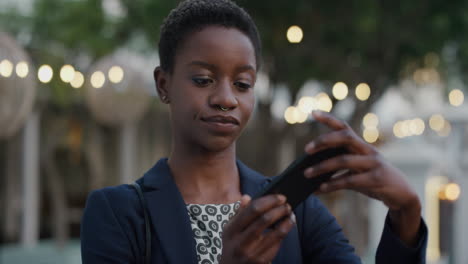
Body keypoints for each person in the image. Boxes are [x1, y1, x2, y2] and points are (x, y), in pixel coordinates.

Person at [80, 0, 428, 263]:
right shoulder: (118, 212)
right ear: (163, 84)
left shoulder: (296, 212)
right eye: (203, 80)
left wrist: (407, 215)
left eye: (243, 84)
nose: (226, 99)